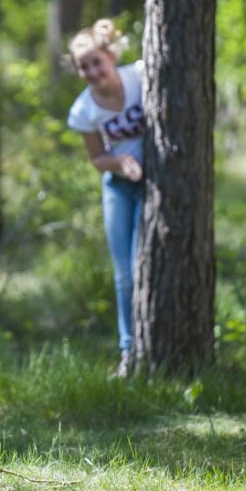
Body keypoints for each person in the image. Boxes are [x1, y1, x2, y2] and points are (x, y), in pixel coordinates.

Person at [65, 19, 144, 378]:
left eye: (96, 61)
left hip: (156, 186)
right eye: (84, 66)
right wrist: (121, 162)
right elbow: (97, 159)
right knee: (124, 275)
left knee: (150, 265)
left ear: (110, 56)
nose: (92, 71)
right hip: (118, 187)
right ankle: (129, 352)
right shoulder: (84, 111)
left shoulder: (140, 76)